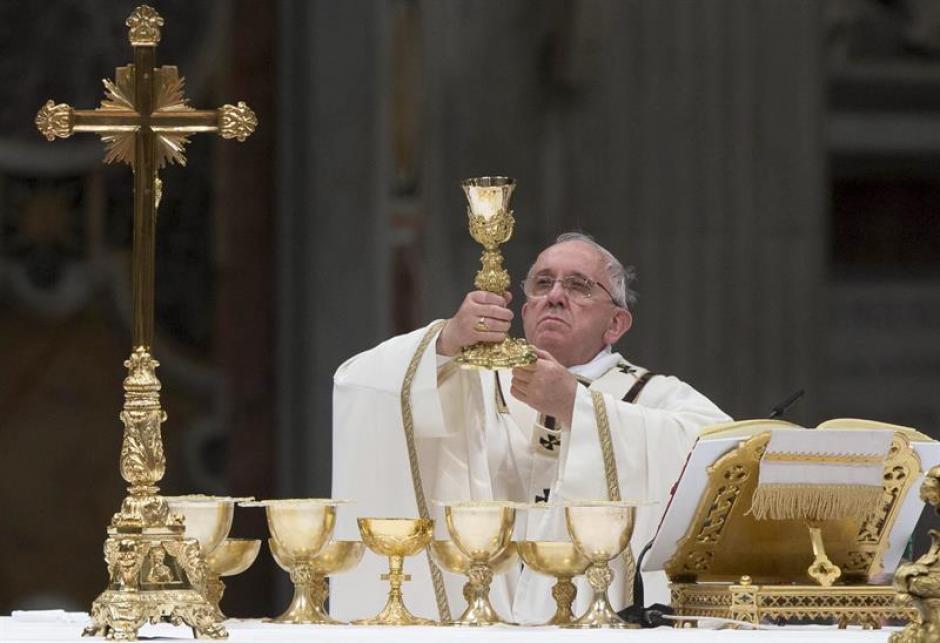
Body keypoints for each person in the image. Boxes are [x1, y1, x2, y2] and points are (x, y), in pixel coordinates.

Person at [330, 232, 730, 624]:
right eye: (542, 283)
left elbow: (724, 453)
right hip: (478, 619)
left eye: (578, 286)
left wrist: (576, 407)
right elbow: (358, 385)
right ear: (524, 312)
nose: (555, 295)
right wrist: (447, 339)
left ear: (615, 324)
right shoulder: (472, 384)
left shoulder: (652, 395)